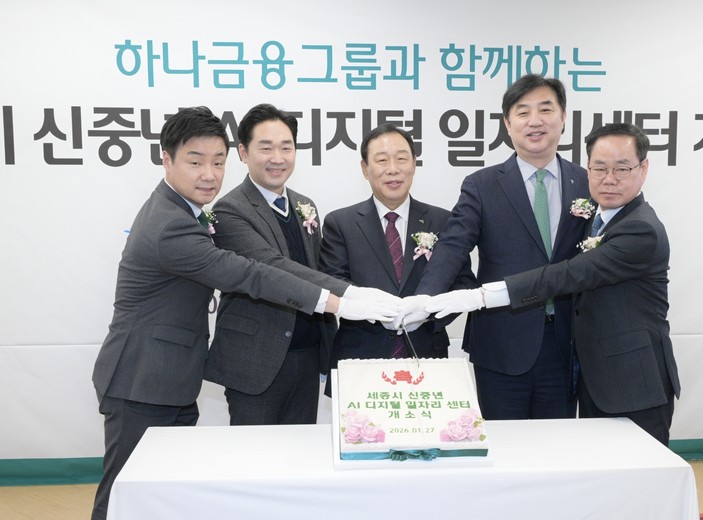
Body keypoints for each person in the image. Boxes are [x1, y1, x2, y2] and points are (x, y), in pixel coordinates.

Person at [90, 106, 397, 520]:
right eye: (195, 162)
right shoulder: (171, 224)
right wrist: (345, 301)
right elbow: (251, 273)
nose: (209, 174)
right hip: (141, 379)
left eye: (217, 162)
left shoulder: (186, 211)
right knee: (124, 493)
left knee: (159, 494)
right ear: (166, 159)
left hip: (170, 378)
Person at [426, 123, 681, 445]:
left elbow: (568, 274)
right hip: (593, 378)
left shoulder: (640, 229)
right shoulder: (600, 219)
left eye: (622, 168)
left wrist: (482, 296)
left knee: (638, 470)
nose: (609, 178)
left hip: (632, 381)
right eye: (600, 168)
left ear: (643, 169)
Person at [407, 74, 590, 420]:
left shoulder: (586, 181)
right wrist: (424, 301)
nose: (535, 121)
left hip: (566, 344)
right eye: (523, 112)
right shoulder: (482, 185)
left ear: (564, 117)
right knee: (502, 444)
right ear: (507, 123)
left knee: (559, 444)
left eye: (545, 109)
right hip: (501, 344)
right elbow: (452, 247)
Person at [204, 104, 398, 425]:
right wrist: (350, 296)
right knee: (254, 451)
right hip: (256, 361)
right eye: (265, 148)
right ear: (243, 152)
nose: (277, 158)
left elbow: (318, 271)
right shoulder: (229, 210)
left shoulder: (304, 205)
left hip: (307, 356)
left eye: (286, 147)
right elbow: (273, 267)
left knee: (302, 450)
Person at [319, 123, 476, 361]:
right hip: (359, 356)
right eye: (382, 160)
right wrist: (370, 309)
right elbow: (333, 282)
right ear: (365, 168)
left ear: (414, 164)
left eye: (401, 159)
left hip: (428, 355)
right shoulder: (340, 223)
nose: (393, 169)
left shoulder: (443, 221)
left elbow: (463, 284)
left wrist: (428, 314)